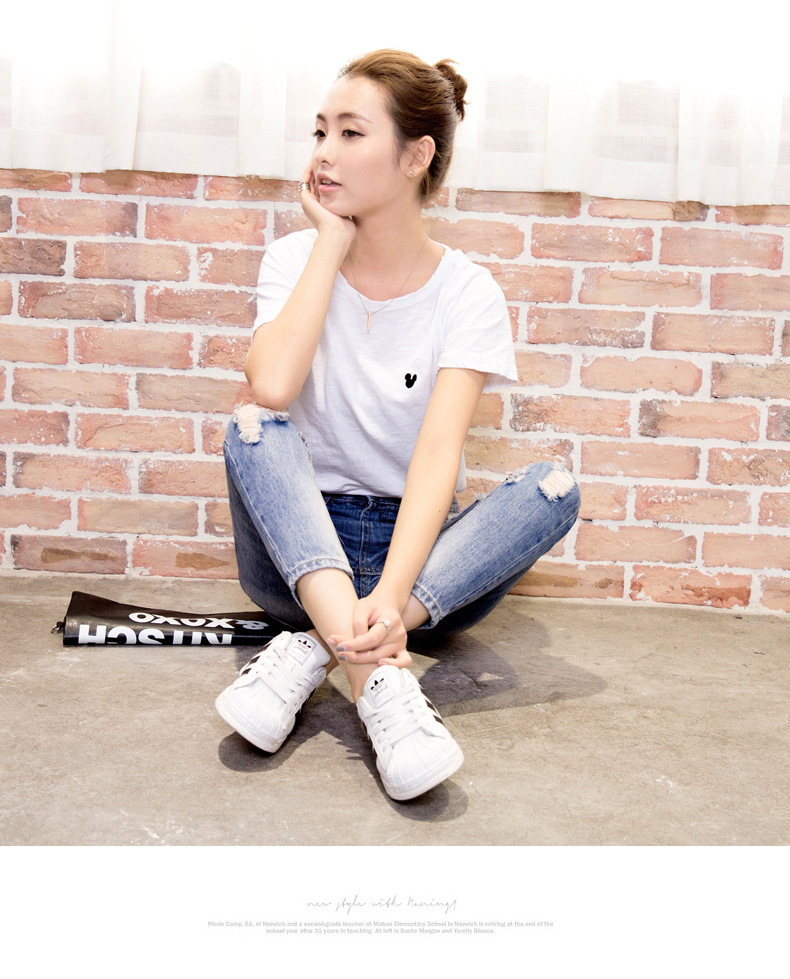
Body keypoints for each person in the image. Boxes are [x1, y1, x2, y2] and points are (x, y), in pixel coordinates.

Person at [215, 49, 580, 802]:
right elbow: (273, 386)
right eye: (320, 132)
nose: (324, 153)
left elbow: (438, 456)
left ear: (417, 157)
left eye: (351, 133)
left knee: (553, 488)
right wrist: (331, 243)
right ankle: (381, 685)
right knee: (253, 423)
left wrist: (390, 592)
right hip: (297, 553)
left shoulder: (468, 292)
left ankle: (323, 646)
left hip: (415, 572)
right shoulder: (293, 259)